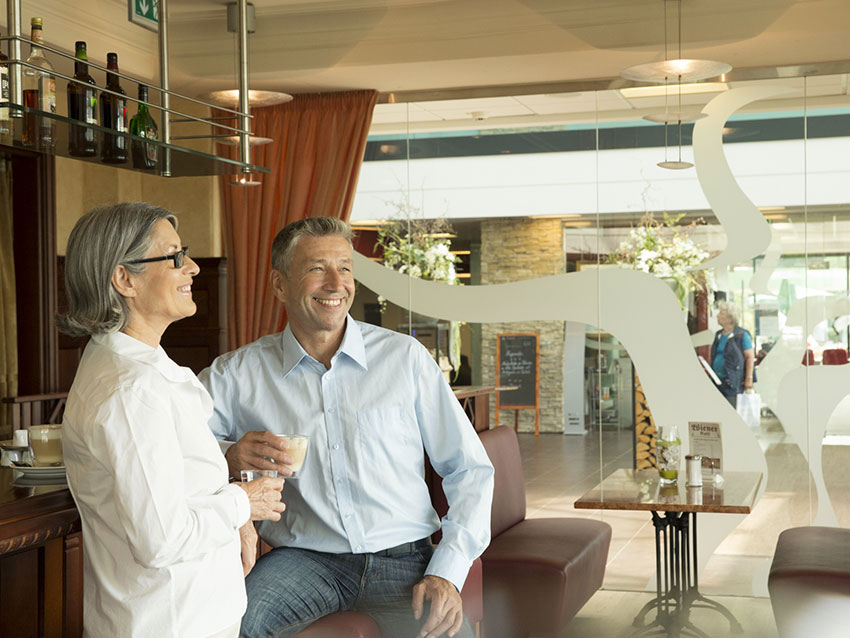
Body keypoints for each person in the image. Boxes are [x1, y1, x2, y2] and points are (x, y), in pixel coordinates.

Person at [199, 217, 494, 638]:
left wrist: (447, 571)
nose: (336, 283)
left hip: (405, 563)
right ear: (279, 285)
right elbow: (176, 444)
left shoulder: (404, 359)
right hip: (303, 561)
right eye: (317, 268)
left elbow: (470, 470)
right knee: (234, 625)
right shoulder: (237, 374)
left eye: (346, 268)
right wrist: (227, 453)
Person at [58, 202, 286, 638]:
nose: (194, 267)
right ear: (124, 279)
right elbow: (162, 540)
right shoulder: (131, 391)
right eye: (175, 256)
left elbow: (167, 466)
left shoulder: (133, 365)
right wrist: (245, 502)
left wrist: (235, 512)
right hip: (169, 622)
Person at [709, 300, 755, 406]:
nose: (717, 316)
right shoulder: (719, 334)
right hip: (717, 381)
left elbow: (750, 357)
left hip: (732, 383)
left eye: (720, 313)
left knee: (731, 409)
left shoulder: (742, 335)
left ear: (729, 318)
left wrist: (749, 379)